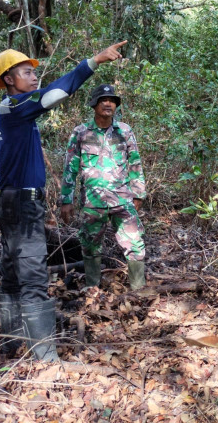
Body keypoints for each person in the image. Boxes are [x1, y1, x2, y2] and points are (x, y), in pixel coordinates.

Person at [0, 41, 126, 362]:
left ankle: (10, 341)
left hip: (12, 199)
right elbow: (55, 93)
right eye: (26, 72)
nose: (33, 77)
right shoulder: (14, 107)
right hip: (22, 203)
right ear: (9, 79)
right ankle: (45, 356)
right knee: (34, 273)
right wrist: (93, 61)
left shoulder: (13, 111)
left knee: (11, 271)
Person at [60, 84, 147, 291]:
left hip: (122, 200)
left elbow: (135, 162)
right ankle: (92, 289)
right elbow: (70, 167)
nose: (108, 104)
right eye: (103, 100)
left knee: (135, 245)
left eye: (112, 100)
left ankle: (138, 290)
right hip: (93, 202)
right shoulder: (81, 132)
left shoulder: (124, 131)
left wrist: (139, 192)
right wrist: (66, 200)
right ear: (94, 104)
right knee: (90, 246)